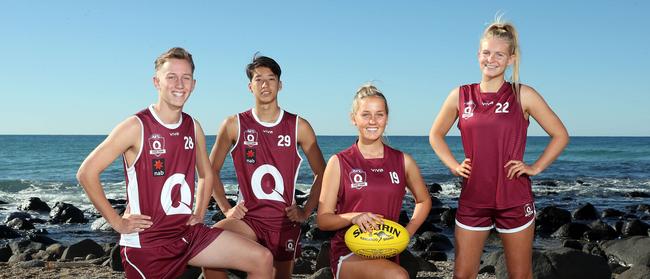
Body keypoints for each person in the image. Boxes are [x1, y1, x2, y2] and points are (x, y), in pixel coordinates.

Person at [77, 47, 273, 279]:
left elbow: (206, 175)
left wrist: (199, 213)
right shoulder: (135, 126)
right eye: (171, 77)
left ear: (194, 84)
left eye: (185, 78)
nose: (179, 84)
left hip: (187, 234)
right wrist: (117, 223)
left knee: (262, 259)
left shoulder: (193, 126)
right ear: (156, 82)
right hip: (148, 244)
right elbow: (87, 173)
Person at [429, 18, 569, 279]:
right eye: (486, 52)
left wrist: (535, 167)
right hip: (474, 197)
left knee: (520, 275)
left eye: (499, 54)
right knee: (462, 274)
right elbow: (435, 135)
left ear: (511, 59)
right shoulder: (460, 95)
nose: (491, 59)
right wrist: (454, 165)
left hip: (514, 198)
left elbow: (560, 134)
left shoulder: (522, 95)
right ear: (477, 55)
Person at [202, 54, 326, 279]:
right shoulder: (233, 124)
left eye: (271, 78)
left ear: (280, 84)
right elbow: (209, 169)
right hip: (249, 219)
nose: (265, 84)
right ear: (250, 87)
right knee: (209, 247)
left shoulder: (299, 126)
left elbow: (323, 172)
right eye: (259, 79)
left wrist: (306, 210)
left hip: (283, 222)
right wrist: (226, 208)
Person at [317, 84, 432, 279]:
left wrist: (407, 233)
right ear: (353, 119)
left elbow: (424, 200)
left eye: (379, 114)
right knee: (398, 277)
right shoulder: (339, 162)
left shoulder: (403, 161)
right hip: (349, 252)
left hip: (386, 250)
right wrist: (354, 217)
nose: (373, 121)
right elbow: (323, 220)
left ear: (386, 118)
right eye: (365, 114)